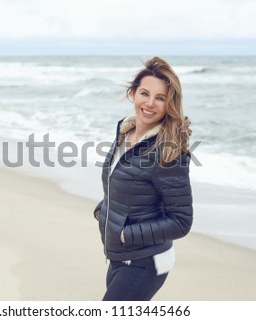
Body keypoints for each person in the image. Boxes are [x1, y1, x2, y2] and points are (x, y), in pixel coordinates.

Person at [93, 56, 193, 301]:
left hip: (145, 262)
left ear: (169, 103)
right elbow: (122, 184)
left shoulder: (168, 151)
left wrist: (127, 234)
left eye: (160, 98)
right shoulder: (125, 134)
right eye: (144, 94)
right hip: (119, 256)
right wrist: (103, 212)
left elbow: (181, 221)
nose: (150, 103)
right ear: (132, 93)